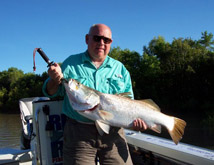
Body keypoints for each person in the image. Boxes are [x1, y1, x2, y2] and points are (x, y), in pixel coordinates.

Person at [43, 24, 147, 165]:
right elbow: (51, 92)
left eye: (106, 40)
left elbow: (129, 101)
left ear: (111, 43)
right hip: (79, 134)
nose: (101, 43)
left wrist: (136, 123)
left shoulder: (120, 69)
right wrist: (54, 80)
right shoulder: (71, 63)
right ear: (87, 39)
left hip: (114, 134)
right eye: (97, 38)